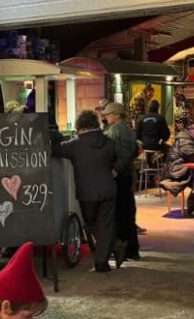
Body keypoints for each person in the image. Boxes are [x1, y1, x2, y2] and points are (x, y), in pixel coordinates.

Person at [52, 110, 127, 272]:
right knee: (105, 225)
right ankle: (109, 254)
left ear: (80, 125)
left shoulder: (74, 144)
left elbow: (55, 149)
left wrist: (53, 134)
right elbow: (125, 155)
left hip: (86, 193)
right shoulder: (108, 141)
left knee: (91, 225)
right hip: (108, 189)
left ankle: (105, 257)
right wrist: (115, 170)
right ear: (95, 124)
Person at [102, 102, 140, 262]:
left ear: (117, 115)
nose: (106, 117)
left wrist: (114, 170)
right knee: (128, 212)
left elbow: (117, 154)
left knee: (120, 213)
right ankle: (132, 249)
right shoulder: (128, 129)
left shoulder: (115, 131)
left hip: (120, 176)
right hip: (127, 174)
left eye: (109, 114)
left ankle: (123, 248)